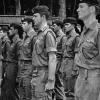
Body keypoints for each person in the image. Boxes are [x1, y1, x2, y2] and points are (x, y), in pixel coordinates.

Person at [75, 0, 100, 100]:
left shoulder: (98, 31)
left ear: (92, 9)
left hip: (94, 79)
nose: (77, 10)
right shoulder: (84, 31)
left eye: (81, 7)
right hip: (81, 77)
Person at [31, 5, 57, 100]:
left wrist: (51, 80)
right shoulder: (39, 33)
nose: (33, 18)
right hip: (36, 73)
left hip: (43, 74)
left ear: (43, 17)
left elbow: (53, 58)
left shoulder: (48, 33)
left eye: (35, 16)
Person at [1, 23, 23, 100]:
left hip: (13, 68)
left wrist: (19, 75)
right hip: (9, 67)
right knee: (5, 89)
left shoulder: (19, 42)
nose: (9, 31)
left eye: (11, 29)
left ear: (16, 31)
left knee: (12, 91)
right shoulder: (13, 41)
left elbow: (20, 59)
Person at [18, 17, 36, 100]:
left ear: (30, 24)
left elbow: (35, 55)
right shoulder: (25, 36)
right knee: (21, 89)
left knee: (28, 90)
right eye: (22, 24)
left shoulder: (34, 37)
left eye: (24, 23)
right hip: (22, 65)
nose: (22, 25)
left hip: (29, 66)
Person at [61, 17, 79, 97]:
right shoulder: (65, 38)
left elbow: (77, 55)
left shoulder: (76, 37)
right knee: (65, 90)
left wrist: (75, 70)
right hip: (64, 64)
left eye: (67, 24)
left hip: (71, 64)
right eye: (64, 25)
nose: (65, 26)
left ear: (73, 25)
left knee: (71, 91)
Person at [52, 20, 66, 100]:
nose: (53, 27)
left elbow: (64, 52)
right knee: (55, 84)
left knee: (59, 83)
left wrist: (61, 67)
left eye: (54, 25)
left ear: (59, 26)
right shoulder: (55, 36)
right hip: (54, 61)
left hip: (59, 62)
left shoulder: (63, 37)